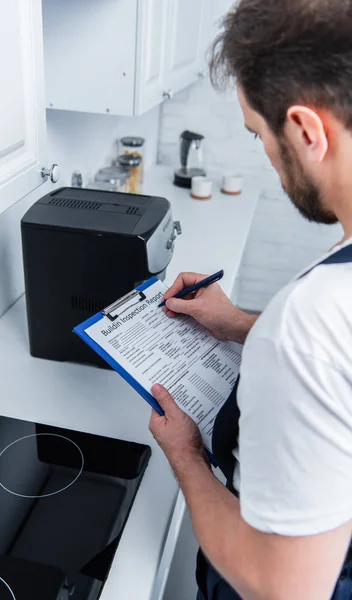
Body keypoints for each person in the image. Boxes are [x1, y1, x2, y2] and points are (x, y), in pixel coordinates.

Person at [148, 1, 352, 598]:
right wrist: (241, 323)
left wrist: (187, 455)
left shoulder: (312, 322)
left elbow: (281, 586)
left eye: (259, 134)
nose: (266, 154)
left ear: (307, 131)